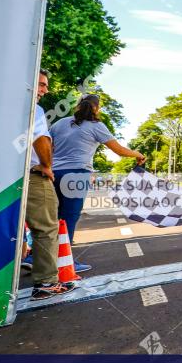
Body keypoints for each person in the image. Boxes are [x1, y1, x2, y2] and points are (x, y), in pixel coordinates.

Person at [50, 93, 145, 271]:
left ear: (77, 106)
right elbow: (119, 150)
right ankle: (64, 261)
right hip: (77, 175)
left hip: (53, 174)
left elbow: (47, 147)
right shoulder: (96, 126)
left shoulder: (60, 123)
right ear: (97, 108)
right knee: (68, 217)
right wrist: (138, 154)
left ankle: (36, 257)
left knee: (51, 217)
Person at [25, 70, 74, 300]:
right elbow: (41, 139)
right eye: (42, 84)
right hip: (32, 175)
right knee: (46, 228)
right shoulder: (33, 108)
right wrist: (46, 165)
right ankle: (46, 282)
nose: (45, 90)